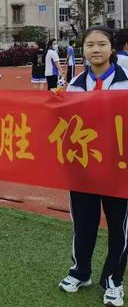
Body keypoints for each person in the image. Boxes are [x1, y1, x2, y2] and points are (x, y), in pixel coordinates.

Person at [58, 26, 127, 307]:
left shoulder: (127, 83)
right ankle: (80, 272)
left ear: (112, 49)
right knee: (83, 225)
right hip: (83, 169)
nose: (95, 50)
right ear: (83, 50)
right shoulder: (73, 86)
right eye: (89, 45)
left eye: (101, 44)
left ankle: (113, 281)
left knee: (119, 229)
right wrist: (54, 102)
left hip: (119, 172)